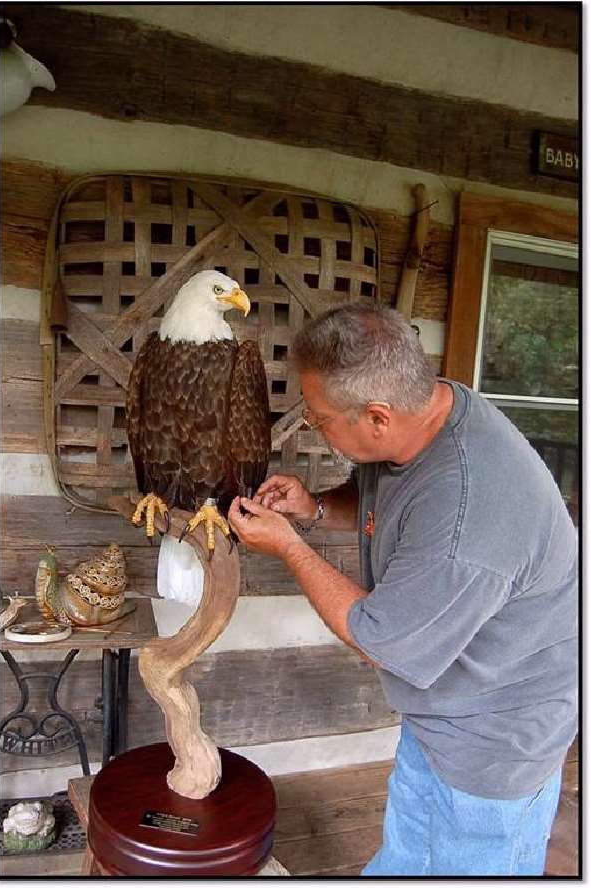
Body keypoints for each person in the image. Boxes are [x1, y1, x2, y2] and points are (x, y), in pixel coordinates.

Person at [228, 303, 578, 877]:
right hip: (444, 712)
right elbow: (390, 502)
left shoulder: (469, 515)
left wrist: (291, 546)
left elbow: (380, 639)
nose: (315, 428)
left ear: (377, 417)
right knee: (410, 859)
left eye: (317, 420)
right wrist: (314, 507)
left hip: (494, 743)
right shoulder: (431, 412)